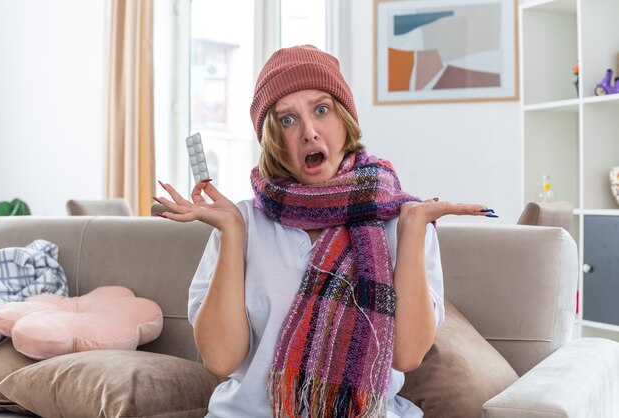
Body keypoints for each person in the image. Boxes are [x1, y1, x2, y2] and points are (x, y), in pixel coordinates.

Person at [155, 45, 497, 418]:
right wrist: (234, 233)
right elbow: (221, 360)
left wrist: (413, 229)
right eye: (288, 120)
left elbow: (407, 355)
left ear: (345, 118)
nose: (309, 132)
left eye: (321, 110)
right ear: (273, 139)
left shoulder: (404, 220)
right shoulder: (240, 222)